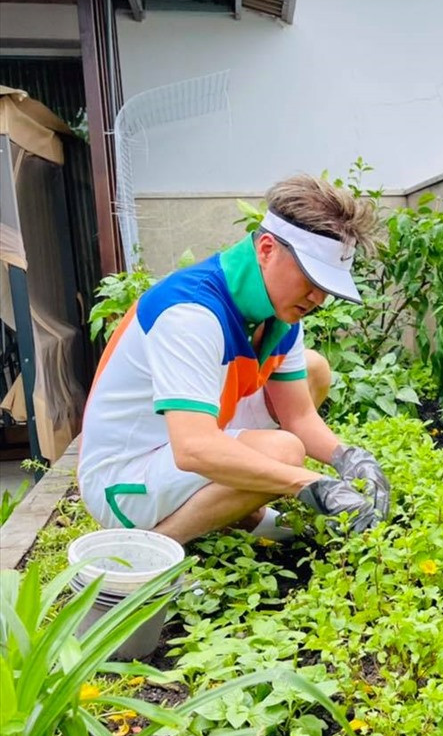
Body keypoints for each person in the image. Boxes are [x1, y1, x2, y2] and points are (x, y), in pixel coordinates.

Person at [78, 174, 390, 545]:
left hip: (175, 451)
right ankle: (151, 548)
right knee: (284, 453)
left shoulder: (280, 313)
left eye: (326, 287)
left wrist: (350, 458)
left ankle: (238, 511)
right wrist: (308, 483)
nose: (317, 298)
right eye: (310, 278)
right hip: (124, 480)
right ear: (267, 249)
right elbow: (193, 448)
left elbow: (299, 416)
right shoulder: (190, 313)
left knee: (314, 369)